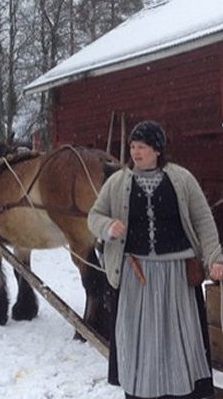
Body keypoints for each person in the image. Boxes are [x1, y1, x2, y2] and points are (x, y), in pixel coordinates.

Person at [88, 120, 223, 399]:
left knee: (179, 338)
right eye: (133, 147)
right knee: (140, 341)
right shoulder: (118, 182)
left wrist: (215, 258)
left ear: (158, 150)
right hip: (136, 276)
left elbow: (203, 222)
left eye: (143, 147)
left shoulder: (182, 180)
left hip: (177, 275)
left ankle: (182, 392)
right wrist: (107, 226)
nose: (136, 152)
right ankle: (141, 391)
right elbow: (94, 216)